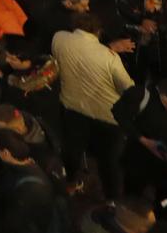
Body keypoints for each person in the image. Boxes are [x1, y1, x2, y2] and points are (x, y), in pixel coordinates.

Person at [54, 10, 134, 196]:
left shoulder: (59, 38)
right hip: (107, 116)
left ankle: (71, 182)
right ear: (98, 31)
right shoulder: (109, 57)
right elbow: (127, 88)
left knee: (72, 149)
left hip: (72, 107)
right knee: (108, 160)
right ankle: (111, 198)